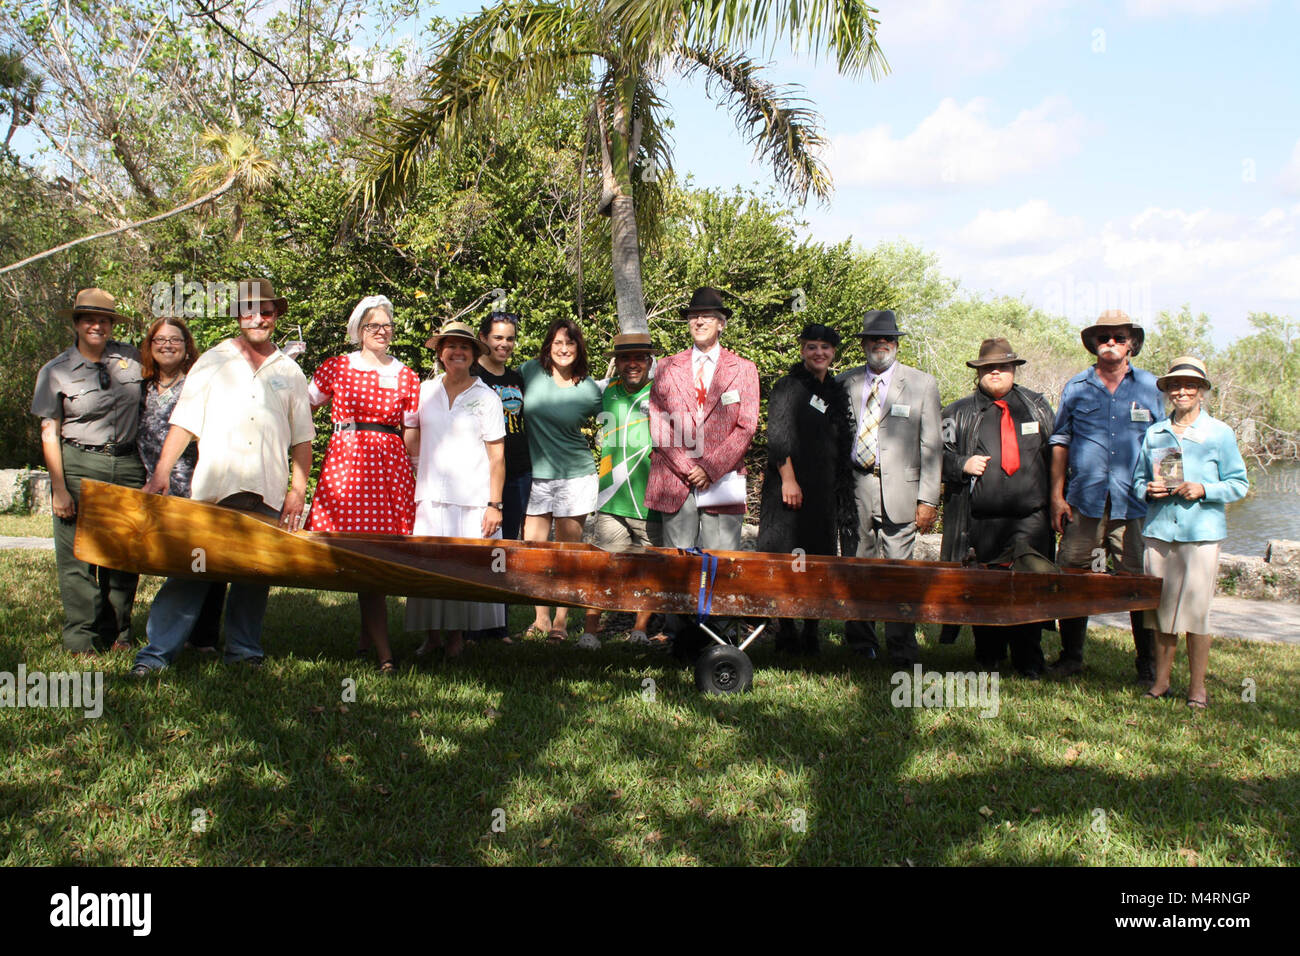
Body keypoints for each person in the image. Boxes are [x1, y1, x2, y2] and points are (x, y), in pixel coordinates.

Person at [132, 278, 314, 674]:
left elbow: (302, 439)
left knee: (255, 574)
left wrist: (297, 491)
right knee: (191, 572)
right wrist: (161, 473)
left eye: (266, 311)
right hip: (215, 487)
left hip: (266, 489)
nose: (258, 317)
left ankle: (244, 653)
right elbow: (184, 422)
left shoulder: (290, 371)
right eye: (250, 310)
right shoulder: (212, 360)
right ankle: (155, 656)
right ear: (237, 315)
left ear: (277, 316)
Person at [1048, 309, 1164, 682]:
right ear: (1094, 344)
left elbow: (1165, 443)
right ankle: (1071, 657)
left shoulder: (1150, 387)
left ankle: (1146, 666)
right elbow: (1061, 441)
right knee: (1073, 574)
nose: (1111, 343)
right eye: (1104, 338)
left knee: (1137, 581)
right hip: (1084, 500)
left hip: (1135, 502)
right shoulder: (1077, 386)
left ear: (1131, 344)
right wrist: (1056, 495)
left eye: (1119, 337)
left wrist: (1165, 485)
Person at [307, 295, 420, 673]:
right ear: (359, 331)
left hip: (389, 466)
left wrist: (417, 473)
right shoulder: (338, 367)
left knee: (380, 554)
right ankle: (383, 652)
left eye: (387, 325)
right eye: (374, 326)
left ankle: (371, 638)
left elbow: (411, 430)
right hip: (348, 463)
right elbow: (303, 406)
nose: (382, 331)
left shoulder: (405, 374)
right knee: (358, 553)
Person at [31, 288, 146, 654]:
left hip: (128, 465)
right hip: (80, 462)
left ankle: (119, 634)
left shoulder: (132, 359)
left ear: (112, 324)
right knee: (77, 557)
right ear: (77, 324)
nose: (96, 325)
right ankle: (81, 637)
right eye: (89, 319)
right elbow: (49, 432)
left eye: (104, 319)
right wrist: (59, 488)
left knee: (124, 555)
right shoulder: (56, 371)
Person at [646, 287, 760, 645]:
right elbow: (658, 420)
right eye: (694, 316)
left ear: (721, 324)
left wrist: (709, 467)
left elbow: (747, 426)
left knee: (719, 561)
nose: (698, 321)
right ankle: (680, 638)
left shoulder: (743, 369)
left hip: (721, 480)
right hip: (674, 480)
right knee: (679, 563)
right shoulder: (667, 366)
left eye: (707, 316)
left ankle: (720, 641)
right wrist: (685, 465)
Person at [1133, 357, 1248, 709]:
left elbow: (1239, 484)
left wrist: (1205, 489)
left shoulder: (1220, 433)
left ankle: (1197, 688)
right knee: (1162, 613)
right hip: (1159, 533)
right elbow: (1137, 479)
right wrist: (1146, 490)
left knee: (1196, 613)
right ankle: (1161, 682)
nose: (1182, 391)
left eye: (1190, 386)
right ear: (1167, 391)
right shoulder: (1154, 433)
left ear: (1201, 392)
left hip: (1201, 535)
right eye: (1175, 386)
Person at [940, 338, 1056, 677]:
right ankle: (987, 655)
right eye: (988, 367)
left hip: (1031, 518)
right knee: (984, 590)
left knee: (1029, 588)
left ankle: (1029, 659)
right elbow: (933, 456)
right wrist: (961, 463)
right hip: (979, 520)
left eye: (1003, 367)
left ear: (1013, 369)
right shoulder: (957, 412)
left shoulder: (1036, 406)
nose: (996, 372)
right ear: (978, 372)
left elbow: (1059, 453)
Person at [837, 309, 941, 666]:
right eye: (874, 339)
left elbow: (932, 446)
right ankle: (861, 643)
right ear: (864, 344)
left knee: (899, 572)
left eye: (889, 339)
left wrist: (928, 498)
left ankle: (901, 647)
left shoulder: (922, 384)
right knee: (858, 567)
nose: (882, 345)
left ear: (896, 344)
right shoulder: (845, 382)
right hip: (855, 487)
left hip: (902, 490)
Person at [405, 320, 505, 659]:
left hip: (472, 499)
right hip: (431, 496)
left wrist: (495, 504)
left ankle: (456, 639)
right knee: (429, 567)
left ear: (475, 355)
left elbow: (497, 456)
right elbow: (412, 433)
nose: (457, 352)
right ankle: (432, 637)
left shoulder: (487, 397)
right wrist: (418, 467)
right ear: (440, 352)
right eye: (451, 346)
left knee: (462, 571)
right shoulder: (424, 390)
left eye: (464, 347)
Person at [757, 323, 857, 657]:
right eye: (812, 346)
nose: (819, 353)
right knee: (787, 558)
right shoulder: (788, 386)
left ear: (833, 353)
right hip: (789, 489)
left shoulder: (835, 390)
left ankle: (812, 630)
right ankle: (786, 631)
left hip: (824, 491)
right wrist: (788, 479)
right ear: (802, 350)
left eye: (825, 348)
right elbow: (778, 435)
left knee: (818, 559)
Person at [137, 315, 225, 653]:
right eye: (159, 339)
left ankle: (202, 638)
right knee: (169, 559)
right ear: (150, 346)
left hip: (193, 484)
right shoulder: (141, 386)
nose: (167, 345)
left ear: (187, 348)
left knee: (204, 559)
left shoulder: (198, 384)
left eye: (175, 339)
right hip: (153, 485)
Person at [518, 318, 603, 644]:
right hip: (537, 476)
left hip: (575, 476)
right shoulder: (530, 373)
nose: (564, 349)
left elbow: (612, 419)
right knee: (534, 551)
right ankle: (540, 618)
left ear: (578, 348)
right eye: (558, 343)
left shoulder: (589, 390)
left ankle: (561, 621)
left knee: (568, 553)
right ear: (548, 347)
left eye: (570, 344)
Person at [581, 332, 662, 649]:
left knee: (649, 572)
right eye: (625, 358)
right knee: (602, 569)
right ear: (616, 362)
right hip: (611, 500)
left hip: (650, 501)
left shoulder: (662, 393)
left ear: (648, 361)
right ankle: (589, 633)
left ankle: (639, 630)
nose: (632, 364)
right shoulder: (605, 392)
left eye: (639, 358)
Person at [468, 311, 532, 644]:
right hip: (483, 474)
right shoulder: (471, 375)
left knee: (505, 550)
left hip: (519, 471)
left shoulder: (517, 378)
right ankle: (470, 626)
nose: (504, 344)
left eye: (509, 338)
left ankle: (499, 626)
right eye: (497, 338)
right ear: (483, 338)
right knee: (480, 548)